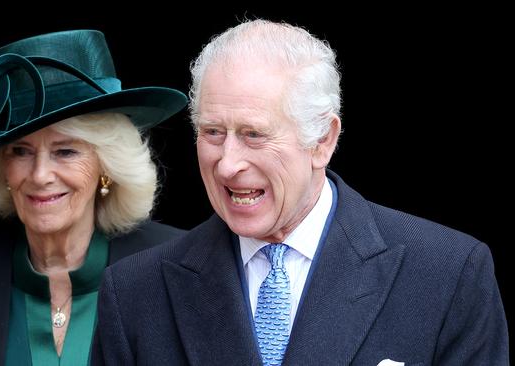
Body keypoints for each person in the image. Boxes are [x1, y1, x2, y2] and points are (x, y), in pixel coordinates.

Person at [91, 19, 509, 365]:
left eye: (254, 134)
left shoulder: (448, 273)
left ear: (323, 141)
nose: (228, 163)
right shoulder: (134, 292)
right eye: (213, 133)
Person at [0, 29, 187, 366]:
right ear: (2, 168)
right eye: (21, 151)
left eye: (66, 151)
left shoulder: (173, 265)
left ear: (106, 165)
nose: (40, 175)